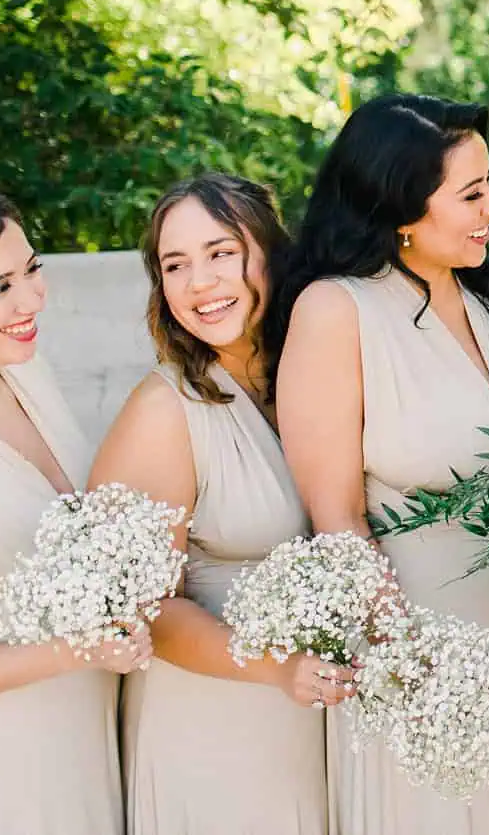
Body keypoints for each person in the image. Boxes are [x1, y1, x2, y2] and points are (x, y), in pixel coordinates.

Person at [274, 94, 489, 835]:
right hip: (422, 671)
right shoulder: (335, 311)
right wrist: (415, 668)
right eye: (473, 193)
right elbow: (337, 521)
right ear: (402, 205)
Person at [96, 174, 341, 833]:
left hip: (315, 723)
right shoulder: (164, 410)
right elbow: (144, 607)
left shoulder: (314, 372)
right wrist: (279, 668)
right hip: (212, 728)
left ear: (269, 250)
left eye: (220, 252)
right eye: (175, 265)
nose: (200, 281)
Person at [0, 178, 143, 833]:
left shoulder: (27, 369)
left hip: (90, 740)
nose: (32, 297)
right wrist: (74, 651)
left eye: (31, 269)